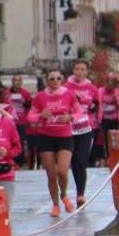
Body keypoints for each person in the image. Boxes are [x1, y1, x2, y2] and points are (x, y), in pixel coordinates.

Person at [27, 69, 84, 216]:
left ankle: (64, 194)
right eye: (51, 79)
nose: (55, 81)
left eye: (58, 78)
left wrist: (70, 118)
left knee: (63, 171)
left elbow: (79, 113)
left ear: (62, 80)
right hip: (46, 137)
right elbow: (30, 117)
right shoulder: (40, 97)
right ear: (47, 81)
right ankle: (56, 205)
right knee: (51, 174)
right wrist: (41, 115)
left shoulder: (69, 94)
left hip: (64, 136)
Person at [65, 59, 101, 207]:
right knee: (73, 163)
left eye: (82, 69)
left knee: (81, 161)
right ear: (73, 71)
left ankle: (81, 194)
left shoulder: (92, 89)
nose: (79, 72)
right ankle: (72, 192)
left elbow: (96, 106)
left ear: (87, 72)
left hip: (86, 128)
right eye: (77, 69)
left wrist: (93, 113)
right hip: (69, 129)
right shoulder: (66, 87)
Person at [6, 75, 35, 170]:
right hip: (11, 121)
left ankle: (20, 161)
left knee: (21, 141)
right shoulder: (7, 93)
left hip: (22, 121)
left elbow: (31, 106)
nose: (18, 82)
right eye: (16, 80)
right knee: (10, 142)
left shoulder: (25, 92)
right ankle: (13, 161)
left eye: (20, 81)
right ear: (12, 82)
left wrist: (24, 102)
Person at [98, 73, 119, 163]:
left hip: (115, 119)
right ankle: (108, 158)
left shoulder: (118, 92)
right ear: (106, 82)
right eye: (110, 82)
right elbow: (97, 103)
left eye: (114, 83)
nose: (112, 84)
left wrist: (117, 101)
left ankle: (116, 158)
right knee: (106, 138)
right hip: (104, 119)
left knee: (115, 138)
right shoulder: (100, 91)